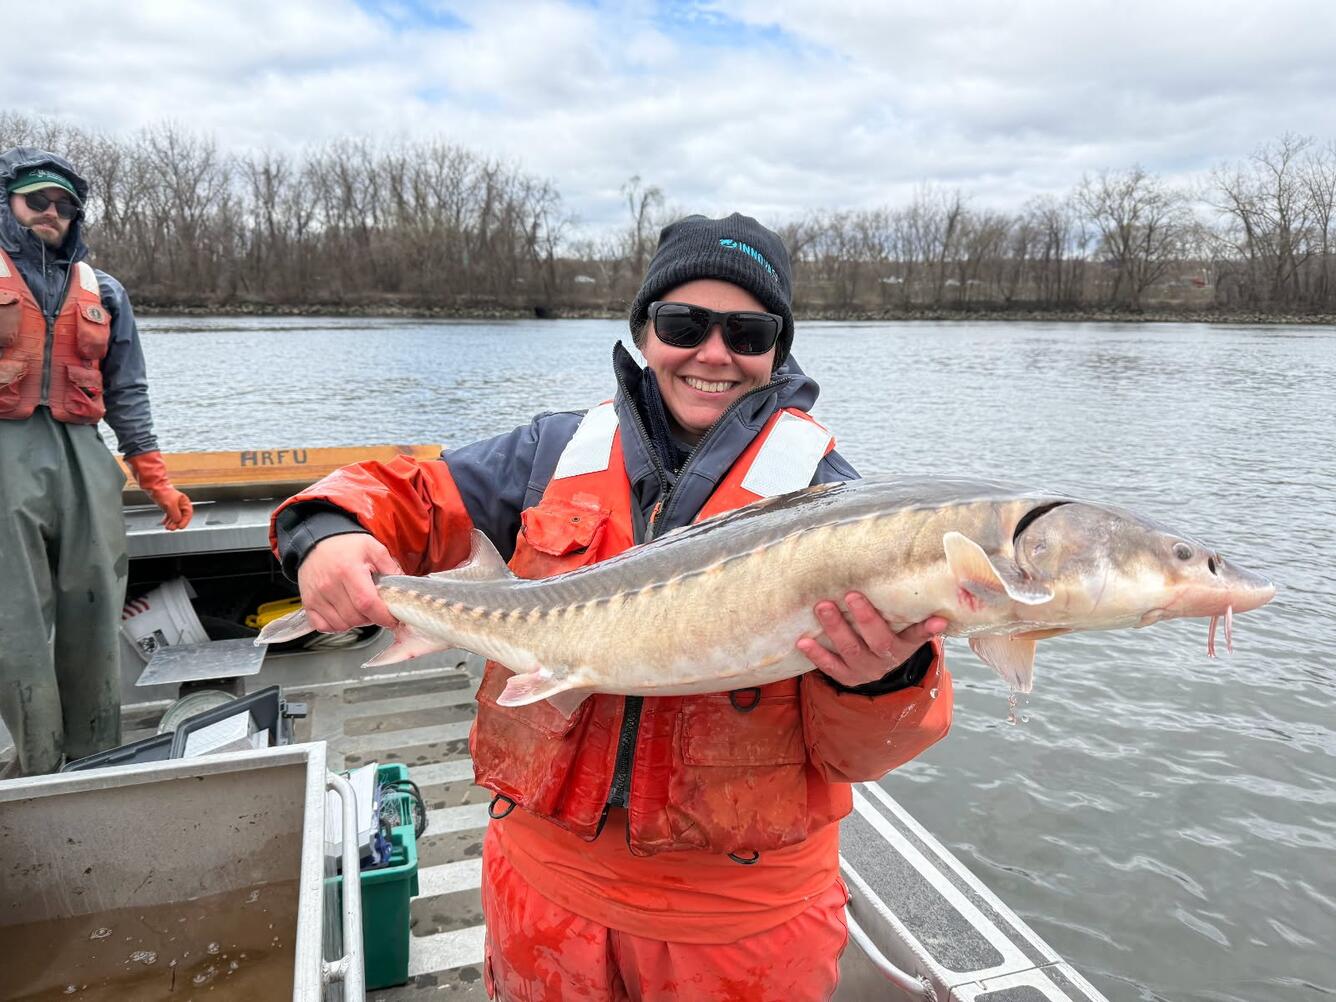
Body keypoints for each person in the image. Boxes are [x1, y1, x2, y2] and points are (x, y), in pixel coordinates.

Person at [271, 213, 953, 1000]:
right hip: (544, 889)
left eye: (748, 331)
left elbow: (864, 758)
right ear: (644, 330)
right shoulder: (553, 450)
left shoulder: (837, 502)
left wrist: (877, 681)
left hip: (739, 924)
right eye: (683, 323)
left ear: (778, 349)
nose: (713, 353)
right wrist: (325, 531)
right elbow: (408, 496)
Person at [0, 148, 193, 777]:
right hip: (6, 452)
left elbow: (127, 390)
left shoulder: (104, 291)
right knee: (16, 617)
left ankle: (94, 760)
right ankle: (35, 765)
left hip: (85, 456)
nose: (51, 212)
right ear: (8, 202)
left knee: (93, 605)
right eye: (37, 200)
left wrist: (155, 478)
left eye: (64, 204)